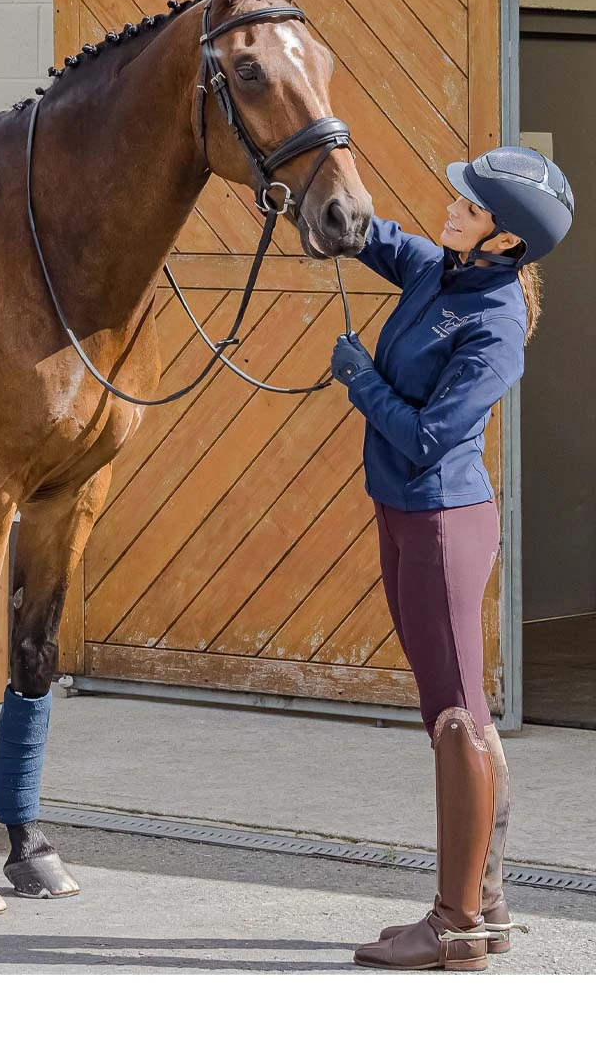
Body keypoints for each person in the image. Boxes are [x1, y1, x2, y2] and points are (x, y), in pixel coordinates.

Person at [330, 146, 574, 971]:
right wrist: (314, 188)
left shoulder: (495, 325)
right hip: (400, 514)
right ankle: (488, 904)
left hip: (441, 522)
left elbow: (431, 438)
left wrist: (361, 381)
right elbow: (376, 236)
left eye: (468, 207)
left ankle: (456, 922)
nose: (450, 208)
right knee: (446, 710)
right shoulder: (444, 271)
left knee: (458, 717)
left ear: (505, 241)